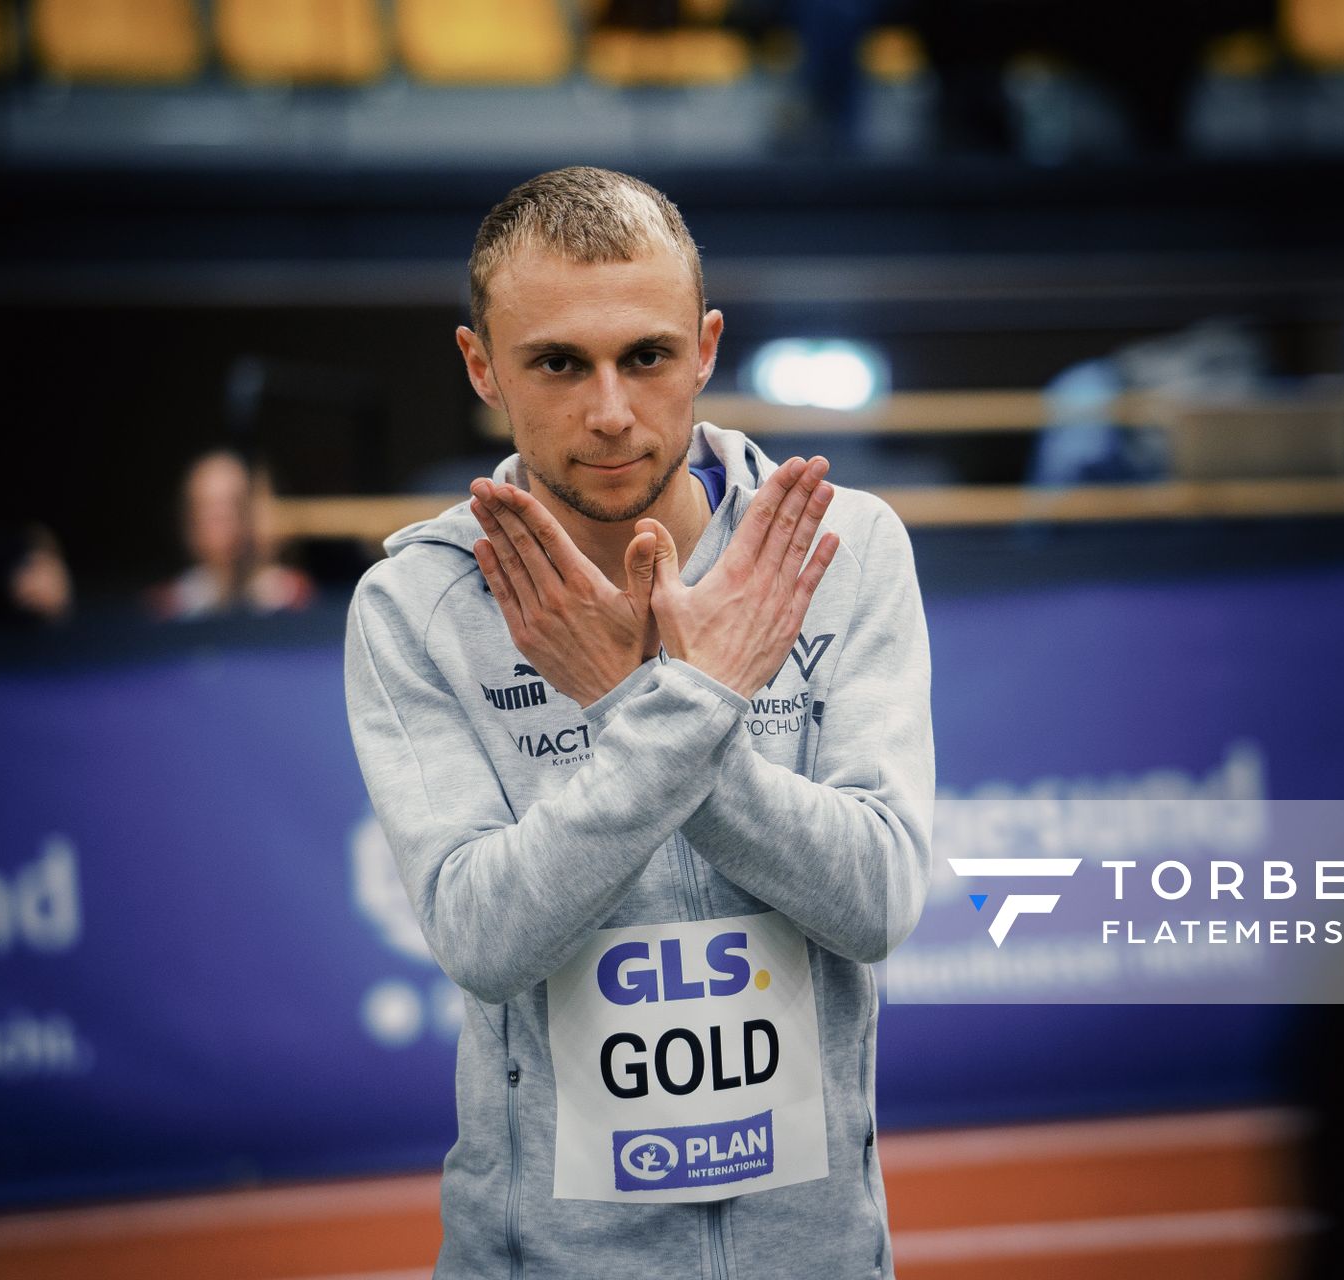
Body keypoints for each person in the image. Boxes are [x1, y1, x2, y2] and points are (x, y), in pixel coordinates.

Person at [342, 167, 934, 1278]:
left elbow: (879, 896)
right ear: (482, 366)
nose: (610, 410)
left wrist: (634, 702)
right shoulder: (416, 603)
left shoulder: (840, 552)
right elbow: (481, 934)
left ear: (705, 348)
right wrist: (682, 710)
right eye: (559, 362)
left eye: (647, 357)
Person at [148, 449, 314, 620]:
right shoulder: (171, 606)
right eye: (209, 510)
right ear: (190, 524)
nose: (224, 521)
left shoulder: (292, 598)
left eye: (234, 505)